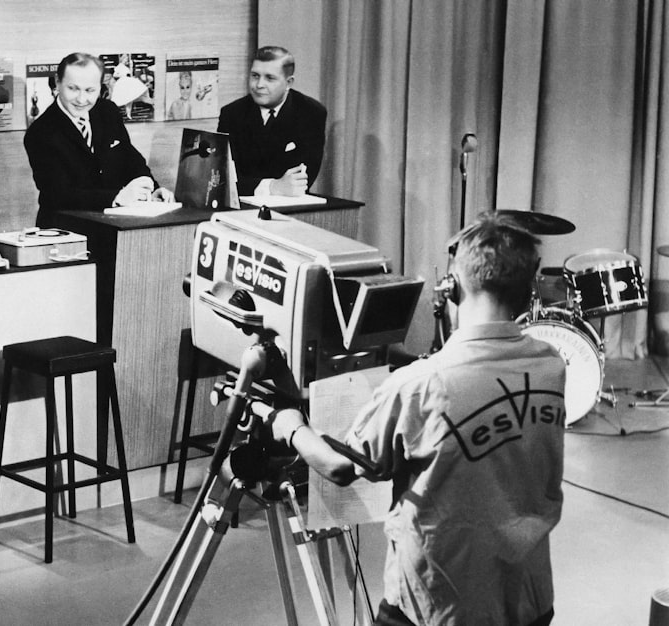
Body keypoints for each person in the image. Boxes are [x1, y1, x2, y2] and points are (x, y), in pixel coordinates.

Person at [268, 212, 566, 626]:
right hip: (528, 597)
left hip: (436, 606)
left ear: (455, 285)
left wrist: (289, 425)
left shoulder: (418, 387)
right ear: (528, 290)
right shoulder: (551, 365)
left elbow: (339, 467)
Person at [24, 52, 174, 226]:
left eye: (90, 90)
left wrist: (151, 190)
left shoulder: (108, 111)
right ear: (58, 82)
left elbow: (130, 159)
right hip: (66, 233)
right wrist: (116, 197)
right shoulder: (40, 132)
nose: (81, 99)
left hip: (112, 228)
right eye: (73, 89)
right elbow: (58, 194)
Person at [217, 46, 327, 197]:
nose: (259, 85)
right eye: (255, 76)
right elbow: (225, 178)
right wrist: (272, 187)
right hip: (242, 205)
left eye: (270, 78)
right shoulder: (232, 114)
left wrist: (269, 185)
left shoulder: (311, 113)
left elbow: (301, 180)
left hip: (289, 206)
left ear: (289, 83)